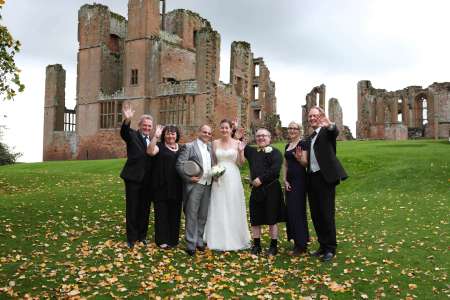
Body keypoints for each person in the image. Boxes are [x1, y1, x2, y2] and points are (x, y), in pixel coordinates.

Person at [306, 106, 348, 262]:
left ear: (320, 116)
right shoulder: (310, 137)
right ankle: (322, 246)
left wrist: (329, 124)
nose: (312, 118)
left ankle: (330, 248)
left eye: (315, 116)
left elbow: (334, 132)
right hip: (312, 179)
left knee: (326, 214)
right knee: (316, 214)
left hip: (325, 178)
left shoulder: (326, 131)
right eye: (310, 116)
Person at [204, 119, 251, 251]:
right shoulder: (214, 143)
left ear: (231, 129)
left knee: (232, 204)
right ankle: (216, 238)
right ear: (220, 129)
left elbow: (240, 163)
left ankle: (235, 237)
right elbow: (213, 161)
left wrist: (241, 151)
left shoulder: (237, 143)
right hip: (218, 177)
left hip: (233, 177)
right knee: (218, 205)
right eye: (222, 128)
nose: (224, 130)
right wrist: (214, 174)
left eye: (227, 128)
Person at [244, 128, 286, 256]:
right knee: (255, 218)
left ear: (269, 138)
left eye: (264, 136)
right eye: (258, 136)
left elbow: (275, 170)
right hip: (256, 191)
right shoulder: (251, 152)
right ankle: (256, 245)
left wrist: (260, 179)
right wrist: (234, 130)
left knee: (272, 218)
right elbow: (239, 143)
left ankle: (273, 246)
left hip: (272, 189)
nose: (261, 138)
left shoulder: (276, 153)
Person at [176, 125, 213, 256]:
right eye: (204, 132)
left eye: (209, 133)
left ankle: (199, 241)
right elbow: (180, 164)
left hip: (208, 184)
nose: (207, 134)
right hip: (194, 185)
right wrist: (189, 178)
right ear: (199, 132)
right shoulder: (189, 146)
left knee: (203, 215)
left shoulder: (210, 147)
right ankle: (191, 244)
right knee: (191, 215)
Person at [119, 103, 153, 248]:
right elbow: (124, 132)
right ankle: (131, 238)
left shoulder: (152, 141)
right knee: (132, 208)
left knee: (145, 208)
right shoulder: (132, 135)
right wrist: (127, 120)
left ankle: (142, 236)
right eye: (144, 125)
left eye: (149, 126)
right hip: (133, 178)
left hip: (147, 180)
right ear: (139, 125)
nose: (147, 128)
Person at [147, 125, 183, 249]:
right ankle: (162, 240)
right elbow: (150, 152)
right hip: (161, 186)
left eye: (173, 134)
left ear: (177, 135)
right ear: (164, 135)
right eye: (167, 133)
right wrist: (155, 137)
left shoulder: (181, 149)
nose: (170, 136)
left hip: (177, 186)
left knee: (175, 214)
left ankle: (173, 240)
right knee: (162, 214)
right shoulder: (160, 146)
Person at [284, 121, 310, 256]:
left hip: (300, 180)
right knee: (290, 211)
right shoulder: (287, 146)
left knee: (298, 210)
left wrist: (299, 158)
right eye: (290, 128)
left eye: (295, 128)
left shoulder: (303, 144)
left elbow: (305, 163)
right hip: (289, 181)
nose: (292, 130)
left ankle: (301, 244)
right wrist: (285, 180)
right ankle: (296, 240)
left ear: (299, 130)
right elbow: (286, 165)